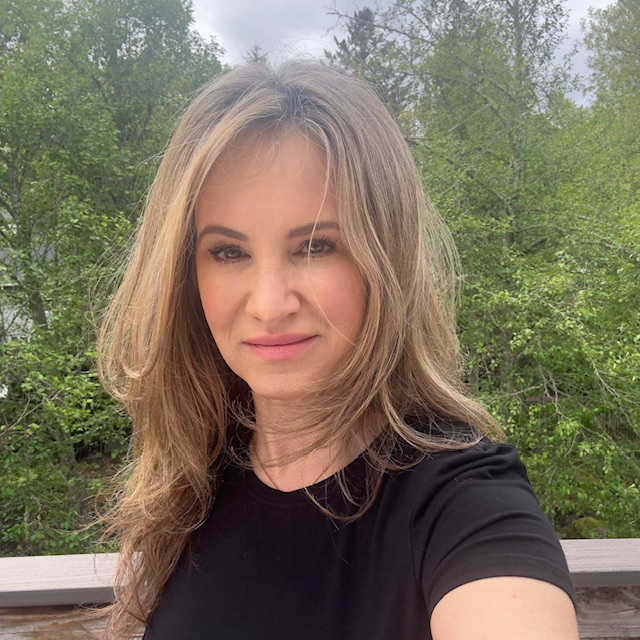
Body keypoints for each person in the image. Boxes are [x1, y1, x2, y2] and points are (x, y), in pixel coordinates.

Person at [98, 61, 579, 639]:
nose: (269, 304)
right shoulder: (188, 484)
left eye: (315, 246)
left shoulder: (461, 500)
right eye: (228, 252)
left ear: (385, 256)